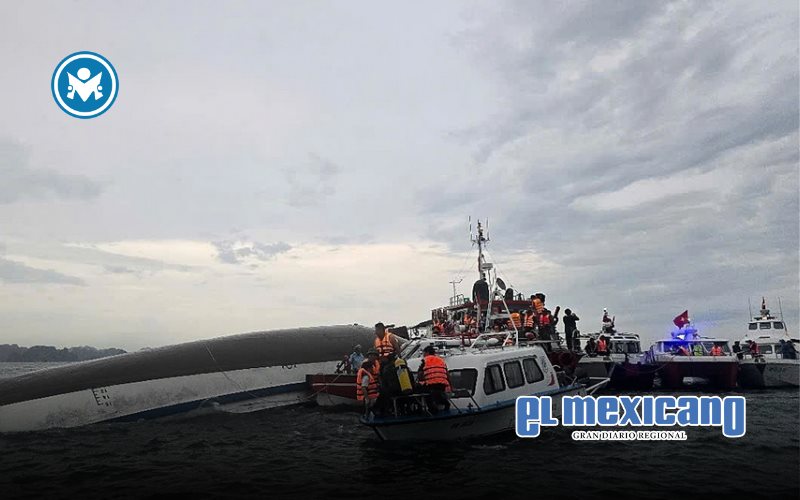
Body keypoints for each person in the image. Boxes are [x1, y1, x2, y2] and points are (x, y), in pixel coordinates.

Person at [417, 345, 451, 413]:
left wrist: (421, 379)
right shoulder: (441, 360)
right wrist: (450, 385)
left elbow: (420, 375)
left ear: (427, 352)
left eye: (424, 353)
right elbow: (447, 374)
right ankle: (445, 403)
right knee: (437, 393)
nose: (423, 355)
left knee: (422, 392)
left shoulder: (425, 360)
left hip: (431, 384)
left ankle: (428, 409)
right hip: (442, 384)